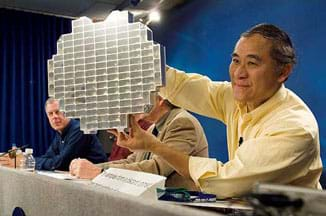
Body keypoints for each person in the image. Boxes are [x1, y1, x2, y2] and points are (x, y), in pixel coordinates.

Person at [110, 23, 323, 198]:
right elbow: (188, 87)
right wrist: (140, 60)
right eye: (236, 60)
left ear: (283, 72)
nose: (239, 72)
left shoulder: (294, 128)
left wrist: (153, 145)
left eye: (252, 63)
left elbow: (223, 183)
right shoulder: (237, 98)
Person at [69, 95, 209, 190]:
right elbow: (131, 161)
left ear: (160, 98)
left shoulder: (182, 122)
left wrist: (100, 172)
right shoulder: (153, 128)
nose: (137, 103)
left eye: (143, 96)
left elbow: (156, 170)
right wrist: (93, 168)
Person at [35, 98, 107, 170]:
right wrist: (31, 161)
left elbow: (62, 163)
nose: (54, 117)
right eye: (50, 114)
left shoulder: (80, 129)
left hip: (96, 177)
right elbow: (48, 157)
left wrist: (33, 162)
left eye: (57, 112)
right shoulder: (60, 133)